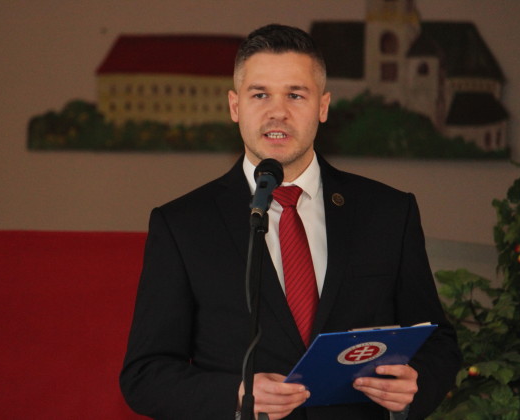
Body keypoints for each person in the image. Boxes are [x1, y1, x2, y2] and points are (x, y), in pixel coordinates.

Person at [120, 24, 461, 420]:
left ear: (323, 106)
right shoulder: (182, 225)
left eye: (296, 95)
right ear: (234, 106)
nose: (277, 111)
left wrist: (415, 383)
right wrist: (237, 395)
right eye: (260, 94)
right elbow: (145, 374)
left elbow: (437, 340)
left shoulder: (388, 212)